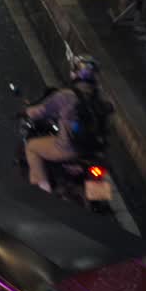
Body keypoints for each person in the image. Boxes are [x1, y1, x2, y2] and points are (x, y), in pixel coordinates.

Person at [23, 56, 107, 192]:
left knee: (32, 147)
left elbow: (40, 112)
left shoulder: (66, 95)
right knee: (98, 175)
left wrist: (27, 111)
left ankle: (44, 190)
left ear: (75, 73)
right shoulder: (102, 101)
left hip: (67, 148)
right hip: (93, 151)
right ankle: (99, 197)